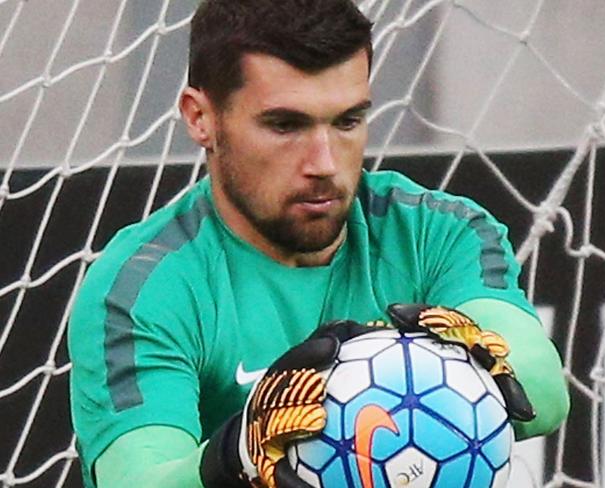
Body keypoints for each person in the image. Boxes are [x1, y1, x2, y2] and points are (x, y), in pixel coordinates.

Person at [68, 0, 570, 487]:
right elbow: (138, 478)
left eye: (348, 121)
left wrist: (450, 366)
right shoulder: (142, 286)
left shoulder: (435, 232)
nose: (324, 163)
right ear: (201, 118)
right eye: (285, 125)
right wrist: (240, 449)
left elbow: (544, 395)